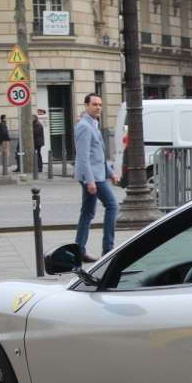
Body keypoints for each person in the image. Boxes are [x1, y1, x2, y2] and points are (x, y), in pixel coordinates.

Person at [74, 93, 121, 262]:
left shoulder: (92, 124)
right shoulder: (84, 127)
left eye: (100, 104)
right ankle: (108, 248)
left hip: (97, 174)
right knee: (112, 206)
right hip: (93, 176)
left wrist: (111, 172)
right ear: (86, 106)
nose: (98, 107)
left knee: (87, 212)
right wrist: (90, 180)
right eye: (94, 104)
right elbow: (83, 157)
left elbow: (97, 155)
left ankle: (79, 251)